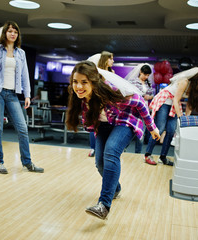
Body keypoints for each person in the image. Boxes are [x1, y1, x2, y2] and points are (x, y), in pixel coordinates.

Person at [66, 61, 160, 220]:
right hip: (105, 124)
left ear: (93, 82)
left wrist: (152, 127)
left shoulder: (110, 92)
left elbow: (139, 102)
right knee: (99, 162)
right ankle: (115, 188)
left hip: (126, 121)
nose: (78, 86)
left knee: (111, 151)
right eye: (75, 81)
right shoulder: (79, 96)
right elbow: (90, 118)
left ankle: (104, 205)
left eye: (84, 82)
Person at [0, 20, 44, 174]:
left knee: (23, 129)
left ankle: (27, 163)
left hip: (12, 94)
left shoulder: (21, 53)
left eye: (15, 31)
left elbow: (25, 76)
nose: (12, 34)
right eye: (10, 31)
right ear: (5, 33)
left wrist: (27, 95)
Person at [144, 66, 198, 166]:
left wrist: (186, 119)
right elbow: (176, 100)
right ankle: (147, 154)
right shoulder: (184, 81)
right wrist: (180, 116)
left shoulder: (195, 88)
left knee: (171, 130)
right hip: (165, 101)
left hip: (173, 104)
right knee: (160, 128)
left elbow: (189, 105)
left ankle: (163, 157)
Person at [86, 51, 115, 157]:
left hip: (109, 105)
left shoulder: (112, 72)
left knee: (106, 127)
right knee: (94, 125)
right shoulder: (98, 73)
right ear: (105, 59)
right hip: (97, 103)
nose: (113, 61)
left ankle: (104, 149)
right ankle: (93, 148)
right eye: (110, 58)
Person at [125, 64, 155, 153]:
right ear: (140, 72)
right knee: (130, 130)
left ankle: (138, 152)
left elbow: (152, 94)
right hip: (134, 109)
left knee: (142, 132)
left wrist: (149, 97)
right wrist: (142, 96)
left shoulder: (147, 83)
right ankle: (124, 147)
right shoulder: (133, 81)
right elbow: (129, 93)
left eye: (148, 75)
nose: (146, 77)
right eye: (145, 74)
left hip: (144, 109)